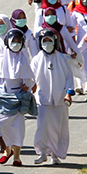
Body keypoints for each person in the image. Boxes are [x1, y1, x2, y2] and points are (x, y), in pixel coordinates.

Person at [0, 30, 35, 166]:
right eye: (13, 41)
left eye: (18, 42)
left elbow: (30, 78)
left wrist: (27, 86)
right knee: (1, 125)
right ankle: (7, 150)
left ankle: (16, 156)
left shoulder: (23, 59)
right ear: (7, 42)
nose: (15, 44)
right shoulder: (0, 60)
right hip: (2, 98)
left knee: (18, 127)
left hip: (18, 98)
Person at [31, 30, 74, 164]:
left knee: (58, 127)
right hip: (43, 99)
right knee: (43, 126)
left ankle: (55, 155)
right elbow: (32, 78)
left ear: (55, 42)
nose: (47, 44)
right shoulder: (37, 59)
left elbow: (69, 77)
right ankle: (42, 152)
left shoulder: (63, 59)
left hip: (60, 99)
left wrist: (68, 93)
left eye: (50, 41)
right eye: (45, 41)